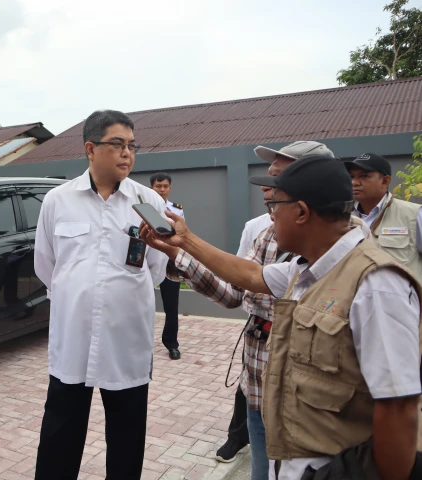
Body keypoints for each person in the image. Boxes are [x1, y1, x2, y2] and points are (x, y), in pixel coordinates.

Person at [142, 155, 421, 480]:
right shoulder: (305, 269)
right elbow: (249, 274)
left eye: (276, 206)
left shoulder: (376, 287)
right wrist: (184, 242)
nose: (270, 216)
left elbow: (399, 409)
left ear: (301, 212)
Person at [156, 141, 341, 477]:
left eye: (277, 182)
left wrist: (186, 244)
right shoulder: (268, 235)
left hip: (309, 405)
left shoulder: (357, 262)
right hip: (258, 386)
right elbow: (237, 288)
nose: (267, 192)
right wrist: (176, 253)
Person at [33, 110, 168, 479]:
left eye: (132, 146)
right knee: (60, 434)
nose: (127, 153)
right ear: (90, 149)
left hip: (126, 341)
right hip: (73, 339)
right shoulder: (58, 200)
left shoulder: (149, 202)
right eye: (117, 144)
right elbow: (47, 266)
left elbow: (155, 269)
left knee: (127, 439)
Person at [345, 152, 422, 280]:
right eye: (352, 176)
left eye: (364, 176)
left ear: (385, 181)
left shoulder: (413, 214)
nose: (355, 182)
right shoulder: (343, 219)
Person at [150, 172, 184, 360]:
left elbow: (182, 236)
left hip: (169, 262)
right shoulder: (143, 208)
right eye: (158, 186)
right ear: (151, 188)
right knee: (141, 303)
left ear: (170, 188)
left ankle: (172, 344)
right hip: (148, 260)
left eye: (165, 186)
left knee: (172, 305)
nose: (162, 190)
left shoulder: (177, 210)